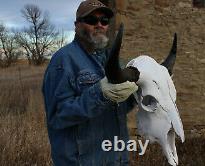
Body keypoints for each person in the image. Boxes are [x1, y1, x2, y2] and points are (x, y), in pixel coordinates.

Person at [42, 0, 138, 165]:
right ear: (77, 25)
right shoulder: (63, 61)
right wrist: (100, 94)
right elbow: (58, 116)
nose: (99, 25)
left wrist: (136, 95)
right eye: (92, 20)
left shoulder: (111, 59)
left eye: (104, 21)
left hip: (117, 160)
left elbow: (118, 108)